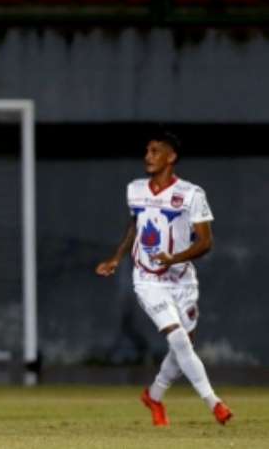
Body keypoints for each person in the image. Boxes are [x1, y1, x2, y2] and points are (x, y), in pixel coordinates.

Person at [95, 129, 233, 426]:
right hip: (148, 280)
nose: (148, 156)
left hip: (183, 280)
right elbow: (134, 226)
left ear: (172, 157)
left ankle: (154, 396)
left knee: (184, 345)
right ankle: (214, 403)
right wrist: (116, 258)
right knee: (179, 340)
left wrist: (175, 259)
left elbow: (205, 243)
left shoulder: (192, 194)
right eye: (147, 151)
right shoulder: (135, 189)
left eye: (155, 151)